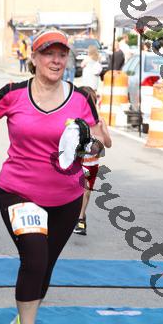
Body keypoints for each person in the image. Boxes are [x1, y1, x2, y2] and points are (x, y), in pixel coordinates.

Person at [0, 27, 111, 324]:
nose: (55, 60)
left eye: (61, 54)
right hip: (19, 190)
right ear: (34, 58)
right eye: (48, 54)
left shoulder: (81, 98)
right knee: (34, 256)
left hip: (66, 197)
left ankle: (20, 322)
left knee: (45, 265)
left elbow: (101, 143)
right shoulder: (13, 93)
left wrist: (89, 144)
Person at [73, 87, 112, 236]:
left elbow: (108, 144)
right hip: (75, 162)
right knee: (72, 191)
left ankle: (80, 217)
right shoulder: (74, 120)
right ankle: (73, 215)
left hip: (91, 163)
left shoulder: (99, 121)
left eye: (91, 102)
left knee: (86, 192)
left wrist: (101, 130)